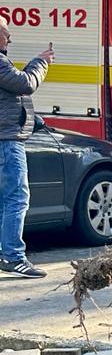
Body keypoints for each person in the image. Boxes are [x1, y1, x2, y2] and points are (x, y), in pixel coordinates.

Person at [0, 28, 54, 278]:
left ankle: (5, 253)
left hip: (7, 138)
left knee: (5, 200)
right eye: (5, 34)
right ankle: (13, 257)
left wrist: (31, 120)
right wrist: (40, 62)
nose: (10, 39)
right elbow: (26, 84)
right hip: (7, 142)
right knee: (17, 198)